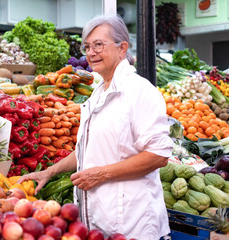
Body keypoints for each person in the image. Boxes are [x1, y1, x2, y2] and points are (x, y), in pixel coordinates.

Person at [18, 15, 173, 240]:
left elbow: (158, 155)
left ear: (122, 48)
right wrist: (50, 172)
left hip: (133, 225)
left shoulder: (140, 92)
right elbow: (87, 148)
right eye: (87, 47)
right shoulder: (98, 93)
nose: (91, 52)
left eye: (99, 44)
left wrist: (101, 174)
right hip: (97, 222)